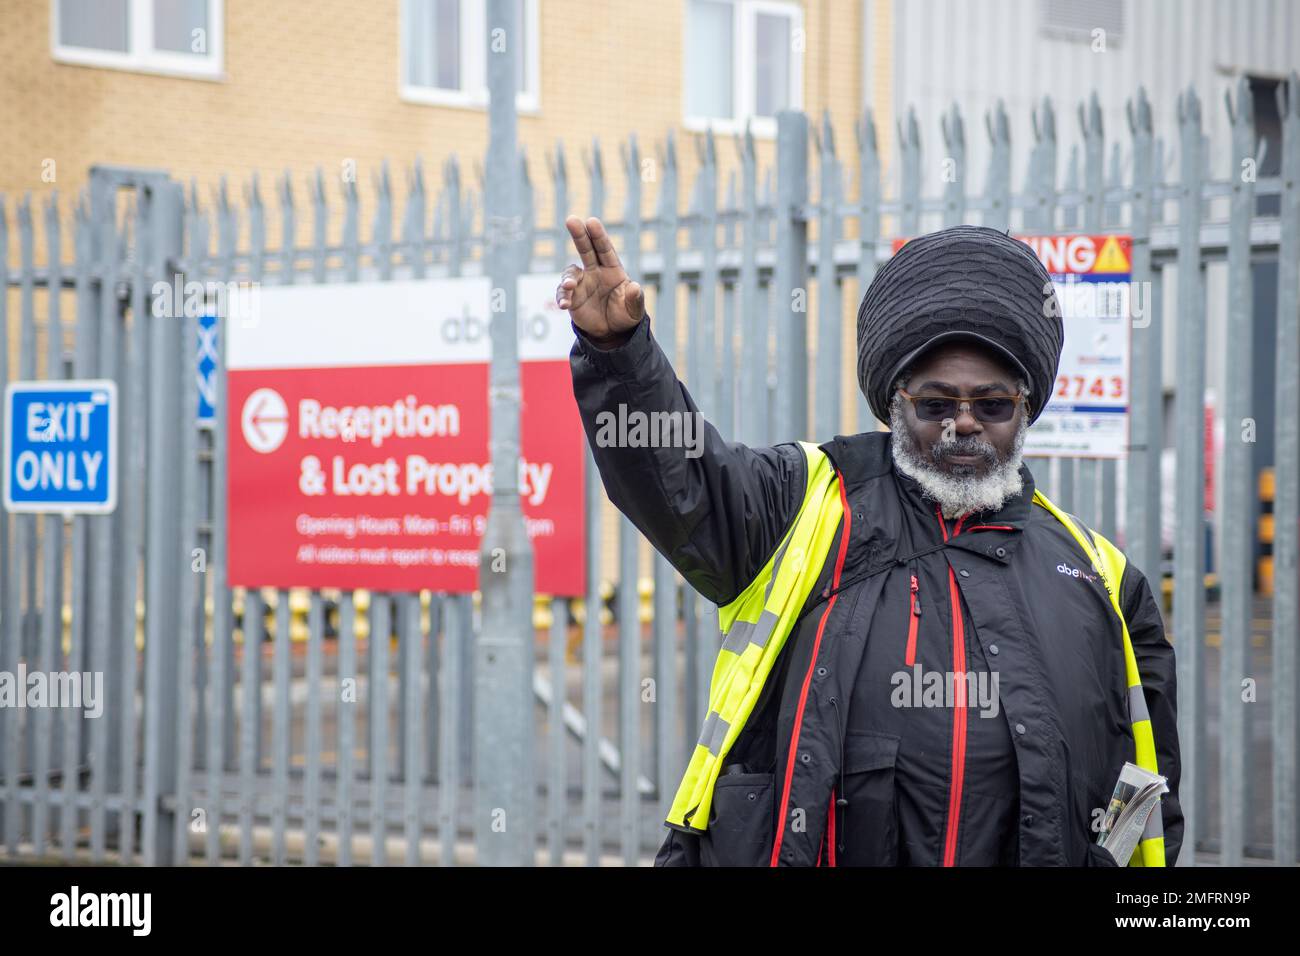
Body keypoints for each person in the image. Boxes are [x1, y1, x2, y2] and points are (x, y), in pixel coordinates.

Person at [557, 216, 1182, 867]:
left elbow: (1146, 801)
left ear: (1024, 411)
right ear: (895, 403)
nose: (962, 424)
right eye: (935, 404)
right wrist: (620, 356)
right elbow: (679, 480)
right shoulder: (800, 504)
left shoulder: (1100, 579)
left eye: (991, 405)